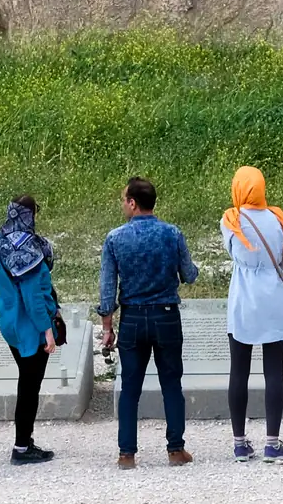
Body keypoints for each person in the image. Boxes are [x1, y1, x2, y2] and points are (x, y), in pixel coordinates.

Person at [98, 175, 198, 467]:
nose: (122, 205)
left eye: (123, 200)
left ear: (133, 202)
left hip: (132, 318)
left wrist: (107, 326)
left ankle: (127, 453)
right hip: (166, 315)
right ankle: (175, 449)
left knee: (130, 387)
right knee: (171, 384)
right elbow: (189, 274)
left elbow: (107, 288)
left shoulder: (115, 238)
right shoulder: (172, 233)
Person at [220, 166, 283, 463]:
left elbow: (234, 252)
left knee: (238, 372)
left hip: (243, 297)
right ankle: (272, 442)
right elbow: (281, 256)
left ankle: (240, 443)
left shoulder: (231, 219)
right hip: (272, 297)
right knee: (274, 372)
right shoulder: (279, 219)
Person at [0, 194, 61, 465]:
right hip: (31, 327)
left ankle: (25, 440)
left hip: (9, 322)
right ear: (31, 215)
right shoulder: (28, 248)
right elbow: (33, 298)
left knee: (25, 381)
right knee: (30, 386)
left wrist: (8, 290)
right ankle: (22, 447)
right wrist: (48, 331)